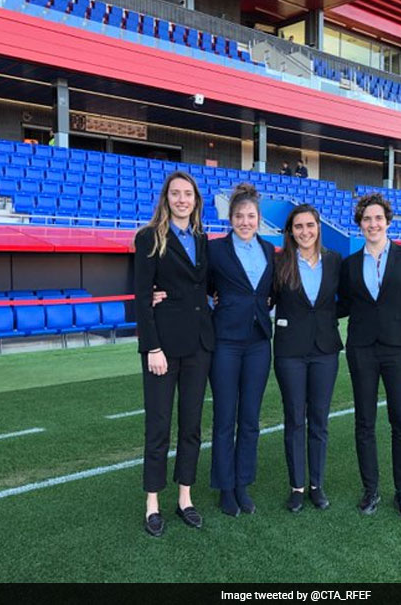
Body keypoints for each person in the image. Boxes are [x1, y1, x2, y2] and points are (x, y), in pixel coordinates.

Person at [338, 192, 401, 520]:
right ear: (360, 224)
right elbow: (342, 306)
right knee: (364, 422)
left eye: (378, 218)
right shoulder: (349, 265)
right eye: (367, 219)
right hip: (361, 350)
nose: (373, 224)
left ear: (387, 222)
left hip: (397, 350)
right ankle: (370, 490)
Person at [134, 171, 214, 537]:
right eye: (176, 193)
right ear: (166, 198)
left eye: (188, 194)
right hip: (162, 348)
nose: (182, 199)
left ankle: (185, 496)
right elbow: (140, 295)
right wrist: (152, 346)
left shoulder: (202, 238)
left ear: (196, 200)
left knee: (192, 425)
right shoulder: (149, 237)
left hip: (199, 345)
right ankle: (153, 502)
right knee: (159, 426)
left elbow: (209, 286)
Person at [208, 183, 275, 517]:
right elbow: (201, 288)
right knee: (225, 417)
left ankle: (242, 484)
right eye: (239, 216)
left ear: (258, 218)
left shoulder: (269, 250)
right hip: (225, 342)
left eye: (251, 216)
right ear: (230, 218)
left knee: (250, 419)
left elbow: (270, 293)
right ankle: (224, 487)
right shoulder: (215, 251)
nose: (245, 221)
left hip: (260, 343)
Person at [273, 204, 343, 513]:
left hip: (325, 350)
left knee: (319, 421)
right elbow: (258, 296)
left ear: (318, 227)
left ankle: (316, 485)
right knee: (294, 420)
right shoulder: (279, 263)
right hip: (290, 352)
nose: (305, 231)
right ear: (291, 231)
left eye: (310, 225)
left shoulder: (335, 261)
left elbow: (350, 300)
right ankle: (297, 487)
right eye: (298, 226)